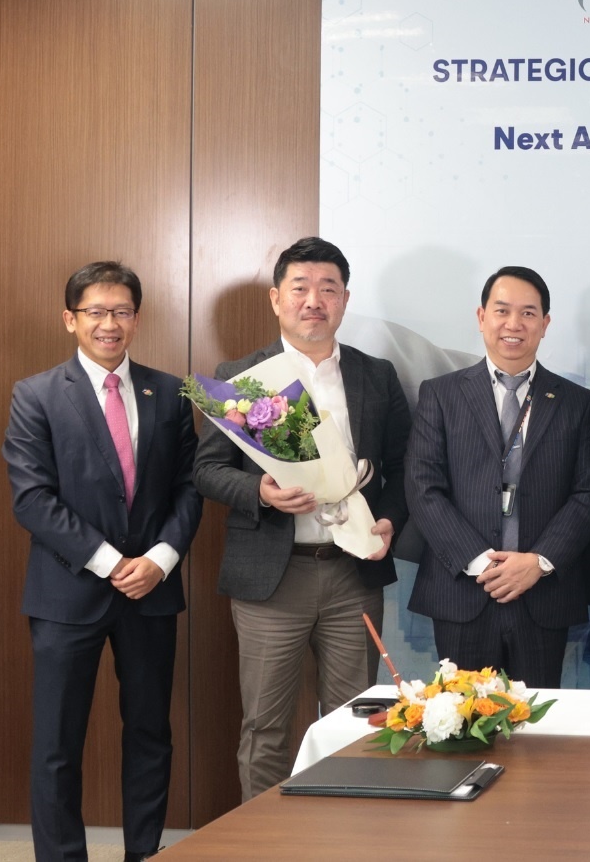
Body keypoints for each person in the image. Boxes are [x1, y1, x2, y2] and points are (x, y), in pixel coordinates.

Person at [192, 237, 411, 799]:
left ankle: (345, 836)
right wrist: (261, 492)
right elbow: (207, 471)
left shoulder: (376, 374)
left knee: (353, 724)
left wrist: (389, 520)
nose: (314, 300)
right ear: (276, 299)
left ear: (344, 300)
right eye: (300, 288)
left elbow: (403, 467)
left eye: (328, 288)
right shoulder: (242, 375)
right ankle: (265, 839)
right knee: (265, 725)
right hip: (272, 577)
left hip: (352, 572)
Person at [4, 262, 204, 862]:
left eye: (121, 312)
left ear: (136, 320)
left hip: (152, 590)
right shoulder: (36, 394)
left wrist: (161, 559)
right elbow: (32, 499)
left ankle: (144, 852)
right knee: (57, 745)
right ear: (70, 319)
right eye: (95, 311)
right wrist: (112, 561)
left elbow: (189, 487)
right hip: (67, 594)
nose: (109, 323)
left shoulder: (170, 393)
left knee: (150, 734)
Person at [405, 266, 590, 687]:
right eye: (502, 311)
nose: (514, 324)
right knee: (461, 716)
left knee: (539, 718)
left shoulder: (577, 403)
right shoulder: (440, 394)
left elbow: (588, 494)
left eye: (528, 313)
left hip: (541, 592)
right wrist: (482, 562)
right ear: (482, 317)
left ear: (545, 324)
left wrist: (539, 561)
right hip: (463, 590)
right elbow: (423, 488)